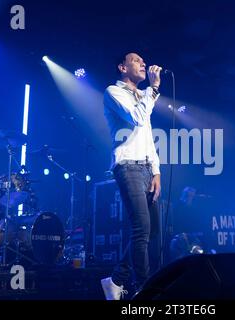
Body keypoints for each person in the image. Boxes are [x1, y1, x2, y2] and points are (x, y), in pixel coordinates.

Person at [101, 52, 162, 300]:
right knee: (141, 229)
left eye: (143, 61)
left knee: (153, 230)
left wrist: (156, 171)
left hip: (147, 167)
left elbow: (147, 136)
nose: (143, 63)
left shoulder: (142, 96)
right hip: (128, 166)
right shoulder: (113, 92)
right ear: (122, 67)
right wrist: (154, 88)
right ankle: (144, 290)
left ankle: (115, 280)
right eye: (136, 60)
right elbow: (137, 118)